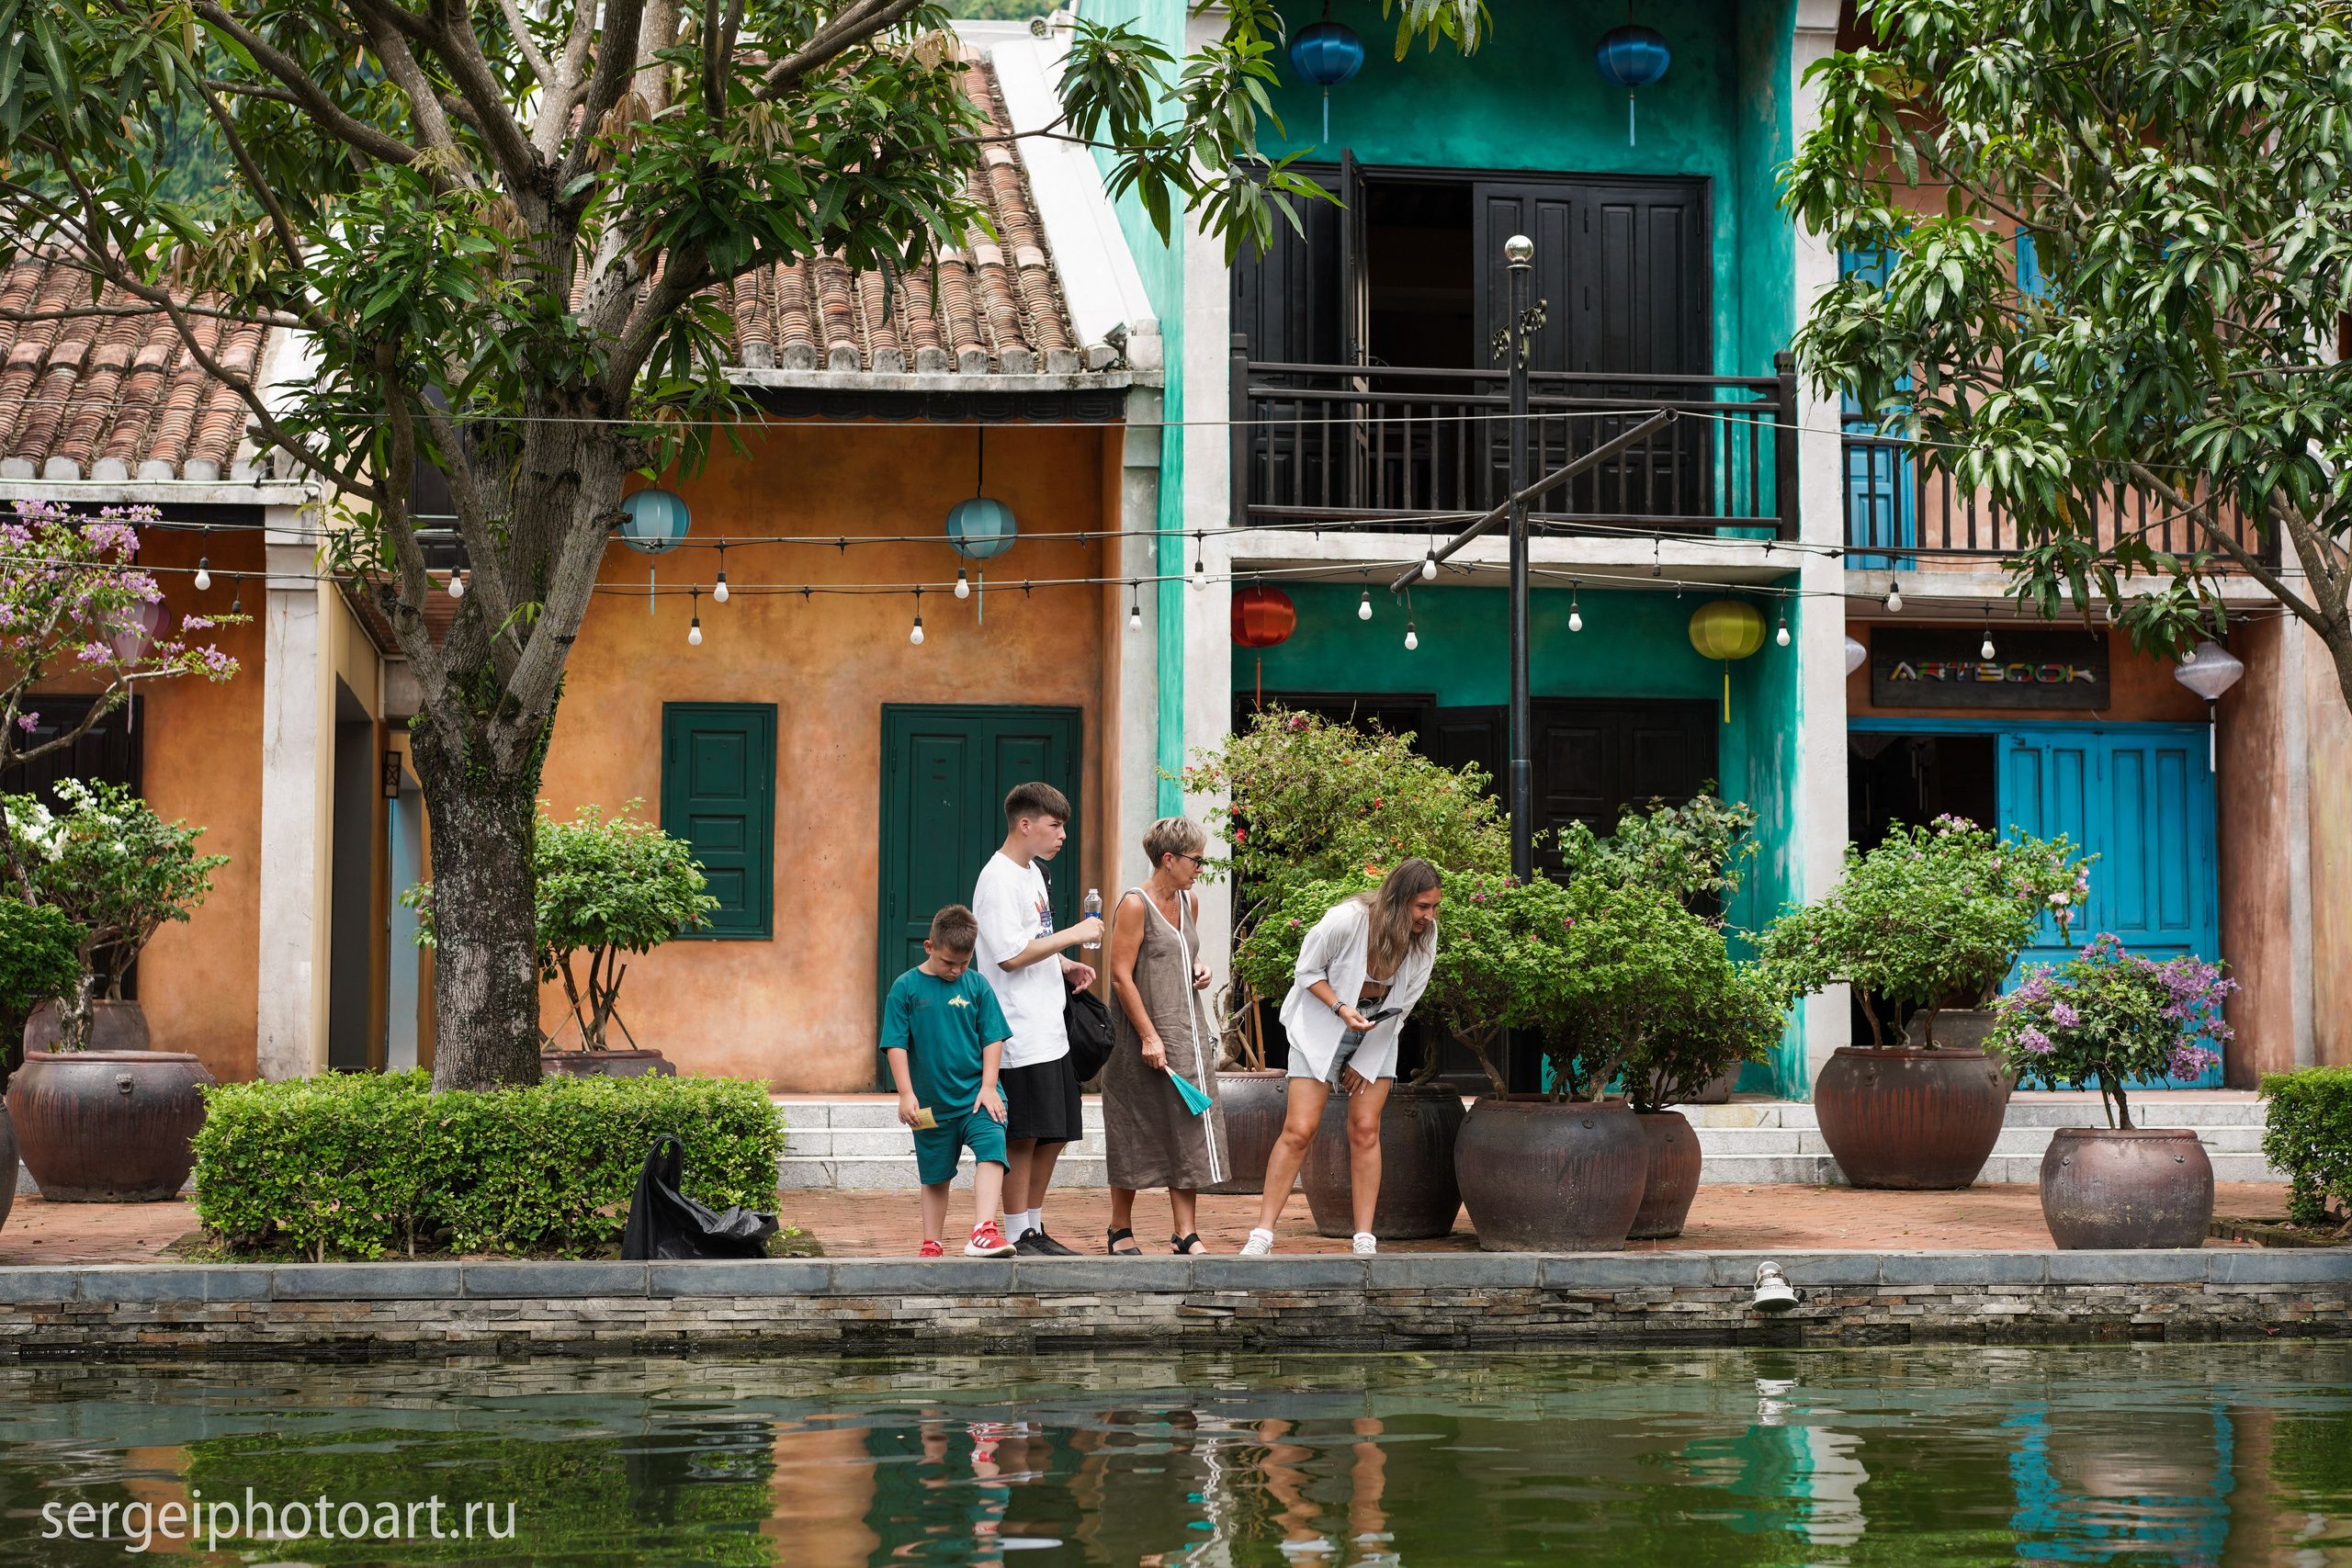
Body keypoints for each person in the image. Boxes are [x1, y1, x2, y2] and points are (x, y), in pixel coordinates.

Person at [1239, 858, 1443, 1258]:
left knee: (1366, 1129)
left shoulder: (1425, 935)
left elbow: (1404, 1002)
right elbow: (1307, 971)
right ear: (1399, 899)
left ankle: (1364, 1238)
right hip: (1323, 1020)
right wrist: (1340, 1009)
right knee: (1299, 1129)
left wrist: (1365, 1057)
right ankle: (1262, 1233)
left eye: (1434, 907)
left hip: (1380, 1028)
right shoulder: (1346, 920)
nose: (1429, 916)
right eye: (1422, 906)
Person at [971, 780, 1101, 1257]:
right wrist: (1074, 936)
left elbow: (1034, 940)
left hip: (1050, 1025)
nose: (1062, 835)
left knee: (1055, 1131)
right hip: (1017, 1028)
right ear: (1025, 825)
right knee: (1022, 1134)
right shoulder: (999, 878)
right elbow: (1007, 956)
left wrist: (1065, 965)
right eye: (1054, 825)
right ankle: (1014, 1232)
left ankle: (1033, 1226)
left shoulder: (1033, 874)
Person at [1101, 816, 1228, 1255]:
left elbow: (1183, 953)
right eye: (1196, 859)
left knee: (1188, 1127)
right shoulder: (1135, 904)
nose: (1200, 868)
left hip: (1186, 1033)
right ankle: (1120, 1229)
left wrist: (1201, 968)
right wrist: (1149, 1037)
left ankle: (1185, 1231)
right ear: (1168, 859)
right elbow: (1119, 975)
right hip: (1142, 1035)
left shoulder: (1189, 901)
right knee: (1134, 1127)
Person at [880, 905, 1018, 1258]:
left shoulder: (977, 986)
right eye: (948, 963)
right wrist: (906, 1094)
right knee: (935, 1175)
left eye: (964, 962)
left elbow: (993, 1038)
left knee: (992, 1148)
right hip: (930, 1106)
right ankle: (932, 1243)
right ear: (928, 947)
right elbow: (895, 1043)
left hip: (977, 1096)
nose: (956, 970)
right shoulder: (905, 988)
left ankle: (984, 1230)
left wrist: (989, 1086)